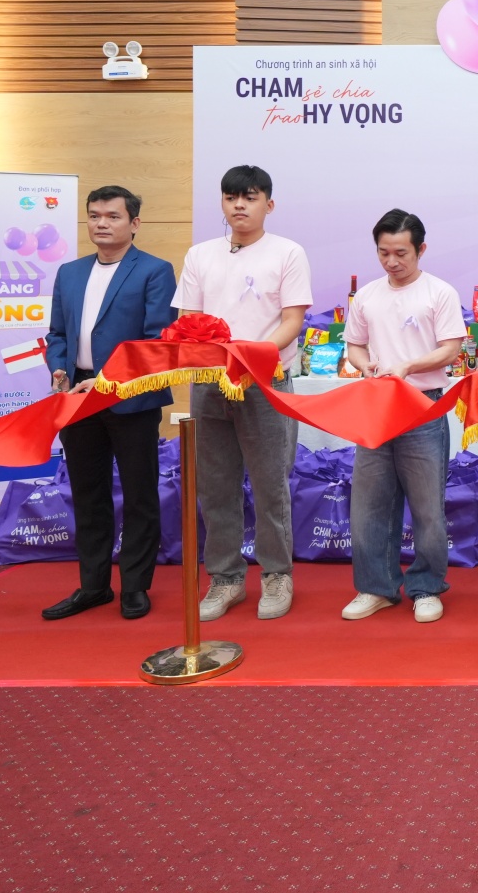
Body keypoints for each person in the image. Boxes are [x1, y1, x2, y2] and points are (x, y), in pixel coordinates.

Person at [174, 165, 312, 622]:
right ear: (222, 202)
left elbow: (292, 320)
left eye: (249, 197)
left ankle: (277, 575)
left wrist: (250, 359)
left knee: (271, 486)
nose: (239, 205)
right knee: (214, 486)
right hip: (210, 383)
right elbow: (189, 319)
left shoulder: (288, 252)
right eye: (231, 197)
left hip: (264, 382)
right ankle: (226, 578)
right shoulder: (200, 254)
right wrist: (214, 359)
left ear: (268, 204)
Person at [42, 185, 178, 622]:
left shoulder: (155, 270)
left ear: (134, 224)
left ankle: (135, 586)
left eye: (113, 216)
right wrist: (59, 370)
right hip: (77, 398)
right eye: (95, 216)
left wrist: (105, 382)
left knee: (139, 495)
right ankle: (94, 585)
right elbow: (57, 334)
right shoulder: (69, 272)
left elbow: (156, 341)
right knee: (87, 494)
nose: (102, 224)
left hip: (131, 397)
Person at [339, 209, 466, 623]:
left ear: (420, 249)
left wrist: (408, 366)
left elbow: (451, 348)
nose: (391, 262)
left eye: (401, 253)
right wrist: (365, 365)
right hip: (377, 406)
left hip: (423, 404)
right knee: (369, 504)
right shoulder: (368, 296)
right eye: (383, 253)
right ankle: (375, 587)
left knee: (428, 506)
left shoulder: (439, 292)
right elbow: (355, 346)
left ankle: (426, 587)